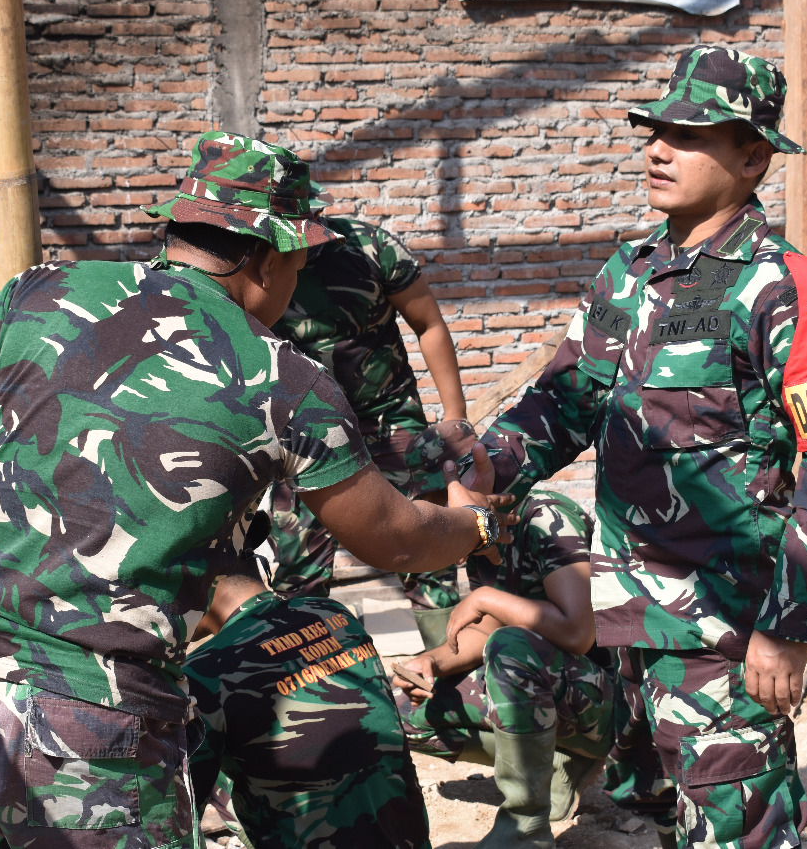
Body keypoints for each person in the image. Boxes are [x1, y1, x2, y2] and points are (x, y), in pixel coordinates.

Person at [0, 131, 508, 849]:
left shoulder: (38, 291)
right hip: (90, 711)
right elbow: (394, 535)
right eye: (299, 264)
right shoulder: (282, 377)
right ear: (268, 254)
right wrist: (476, 525)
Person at [468, 46, 807, 849]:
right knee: (647, 821)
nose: (659, 148)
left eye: (690, 135)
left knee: (739, 828)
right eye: (656, 130)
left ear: (754, 158)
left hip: (723, 632)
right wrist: (487, 464)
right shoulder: (626, 275)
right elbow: (564, 400)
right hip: (626, 626)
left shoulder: (790, 286)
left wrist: (790, 625)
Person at [393, 421, 615, 849]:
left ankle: (524, 827)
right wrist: (434, 661)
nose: (433, 519)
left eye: (437, 506)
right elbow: (490, 624)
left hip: (614, 703)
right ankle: (552, 765)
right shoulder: (481, 528)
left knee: (510, 647)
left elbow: (578, 632)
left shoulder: (543, 515)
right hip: (549, 686)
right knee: (404, 713)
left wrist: (488, 598)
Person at [267, 201, 471, 648]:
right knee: (297, 566)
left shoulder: (369, 246)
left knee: (428, 551)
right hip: (307, 433)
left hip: (390, 419)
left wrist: (455, 416)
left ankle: (447, 683)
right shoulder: (262, 262)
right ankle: (312, 696)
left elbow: (428, 322)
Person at [185, 553, 430, 849]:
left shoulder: (205, 668)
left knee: (199, 760)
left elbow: (180, 817)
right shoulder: (332, 612)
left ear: (202, 579)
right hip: (405, 838)